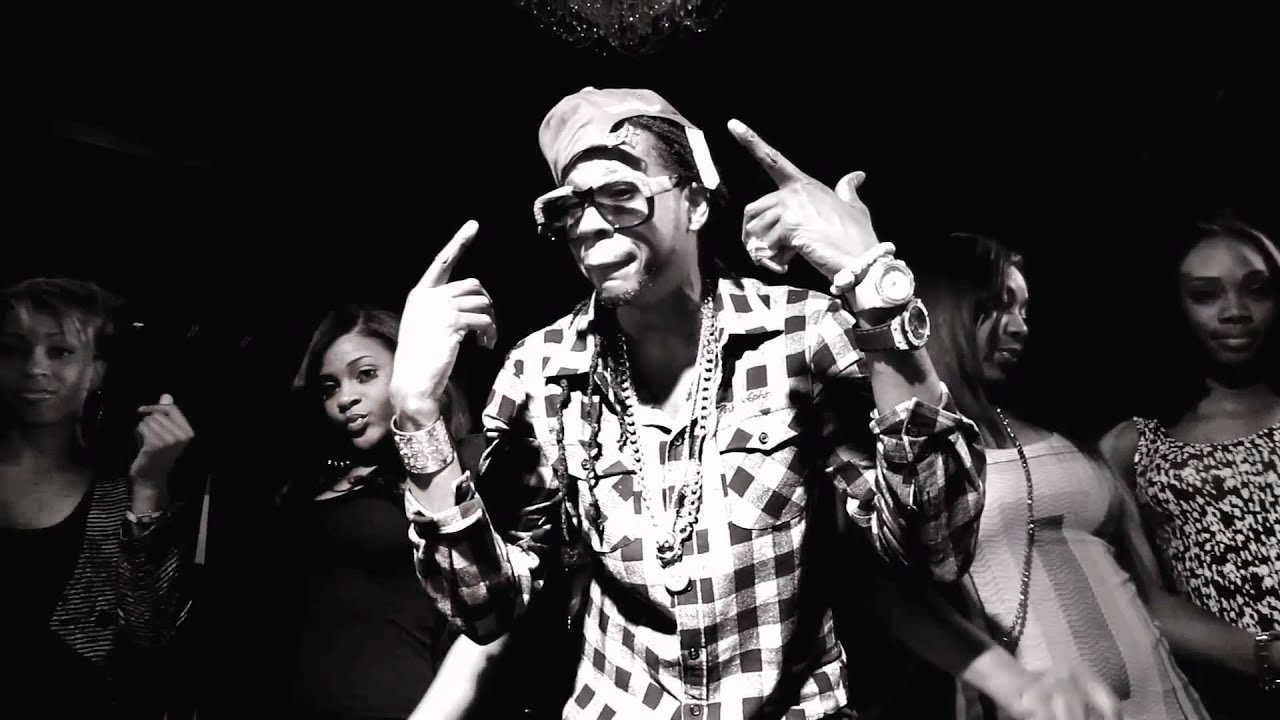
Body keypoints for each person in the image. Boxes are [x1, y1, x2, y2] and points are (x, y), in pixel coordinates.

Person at [388, 88, 1122, 719]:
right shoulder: (541, 369)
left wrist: (876, 294)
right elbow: (486, 610)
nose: (586, 225)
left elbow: (935, 546)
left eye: (619, 194)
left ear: (695, 201)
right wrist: (418, 415)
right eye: (567, 205)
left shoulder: (803, 334)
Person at [912, 233, 1210, 719]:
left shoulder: (1060, 428)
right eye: (998, 305)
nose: (1020, 327)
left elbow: (1148, 599)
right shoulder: (914, 454)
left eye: (1025, 311)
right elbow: (888, 593)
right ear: (943, 309)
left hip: (1167, 700)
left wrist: (1257, 649)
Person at [241, 302, 503, 720]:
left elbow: (492, 624)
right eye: (329, 387)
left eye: (365, 374)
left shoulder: (459, 468)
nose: (344, 399)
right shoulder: (309, 483)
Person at [1101, 216, 1280, 716]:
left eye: (1257, 290)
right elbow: (1140, 601)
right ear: (1173, 306)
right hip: (1224, 696)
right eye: (1205, 294)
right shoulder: (1132, 445)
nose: (1236, 311)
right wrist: (1266, 655)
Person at [0, 277, 193, 717]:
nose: (34, 367)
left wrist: (149, 487)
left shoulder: (118, 494)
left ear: (96, 372)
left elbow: (150, 636)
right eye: (13, 349)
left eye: (60, 350)